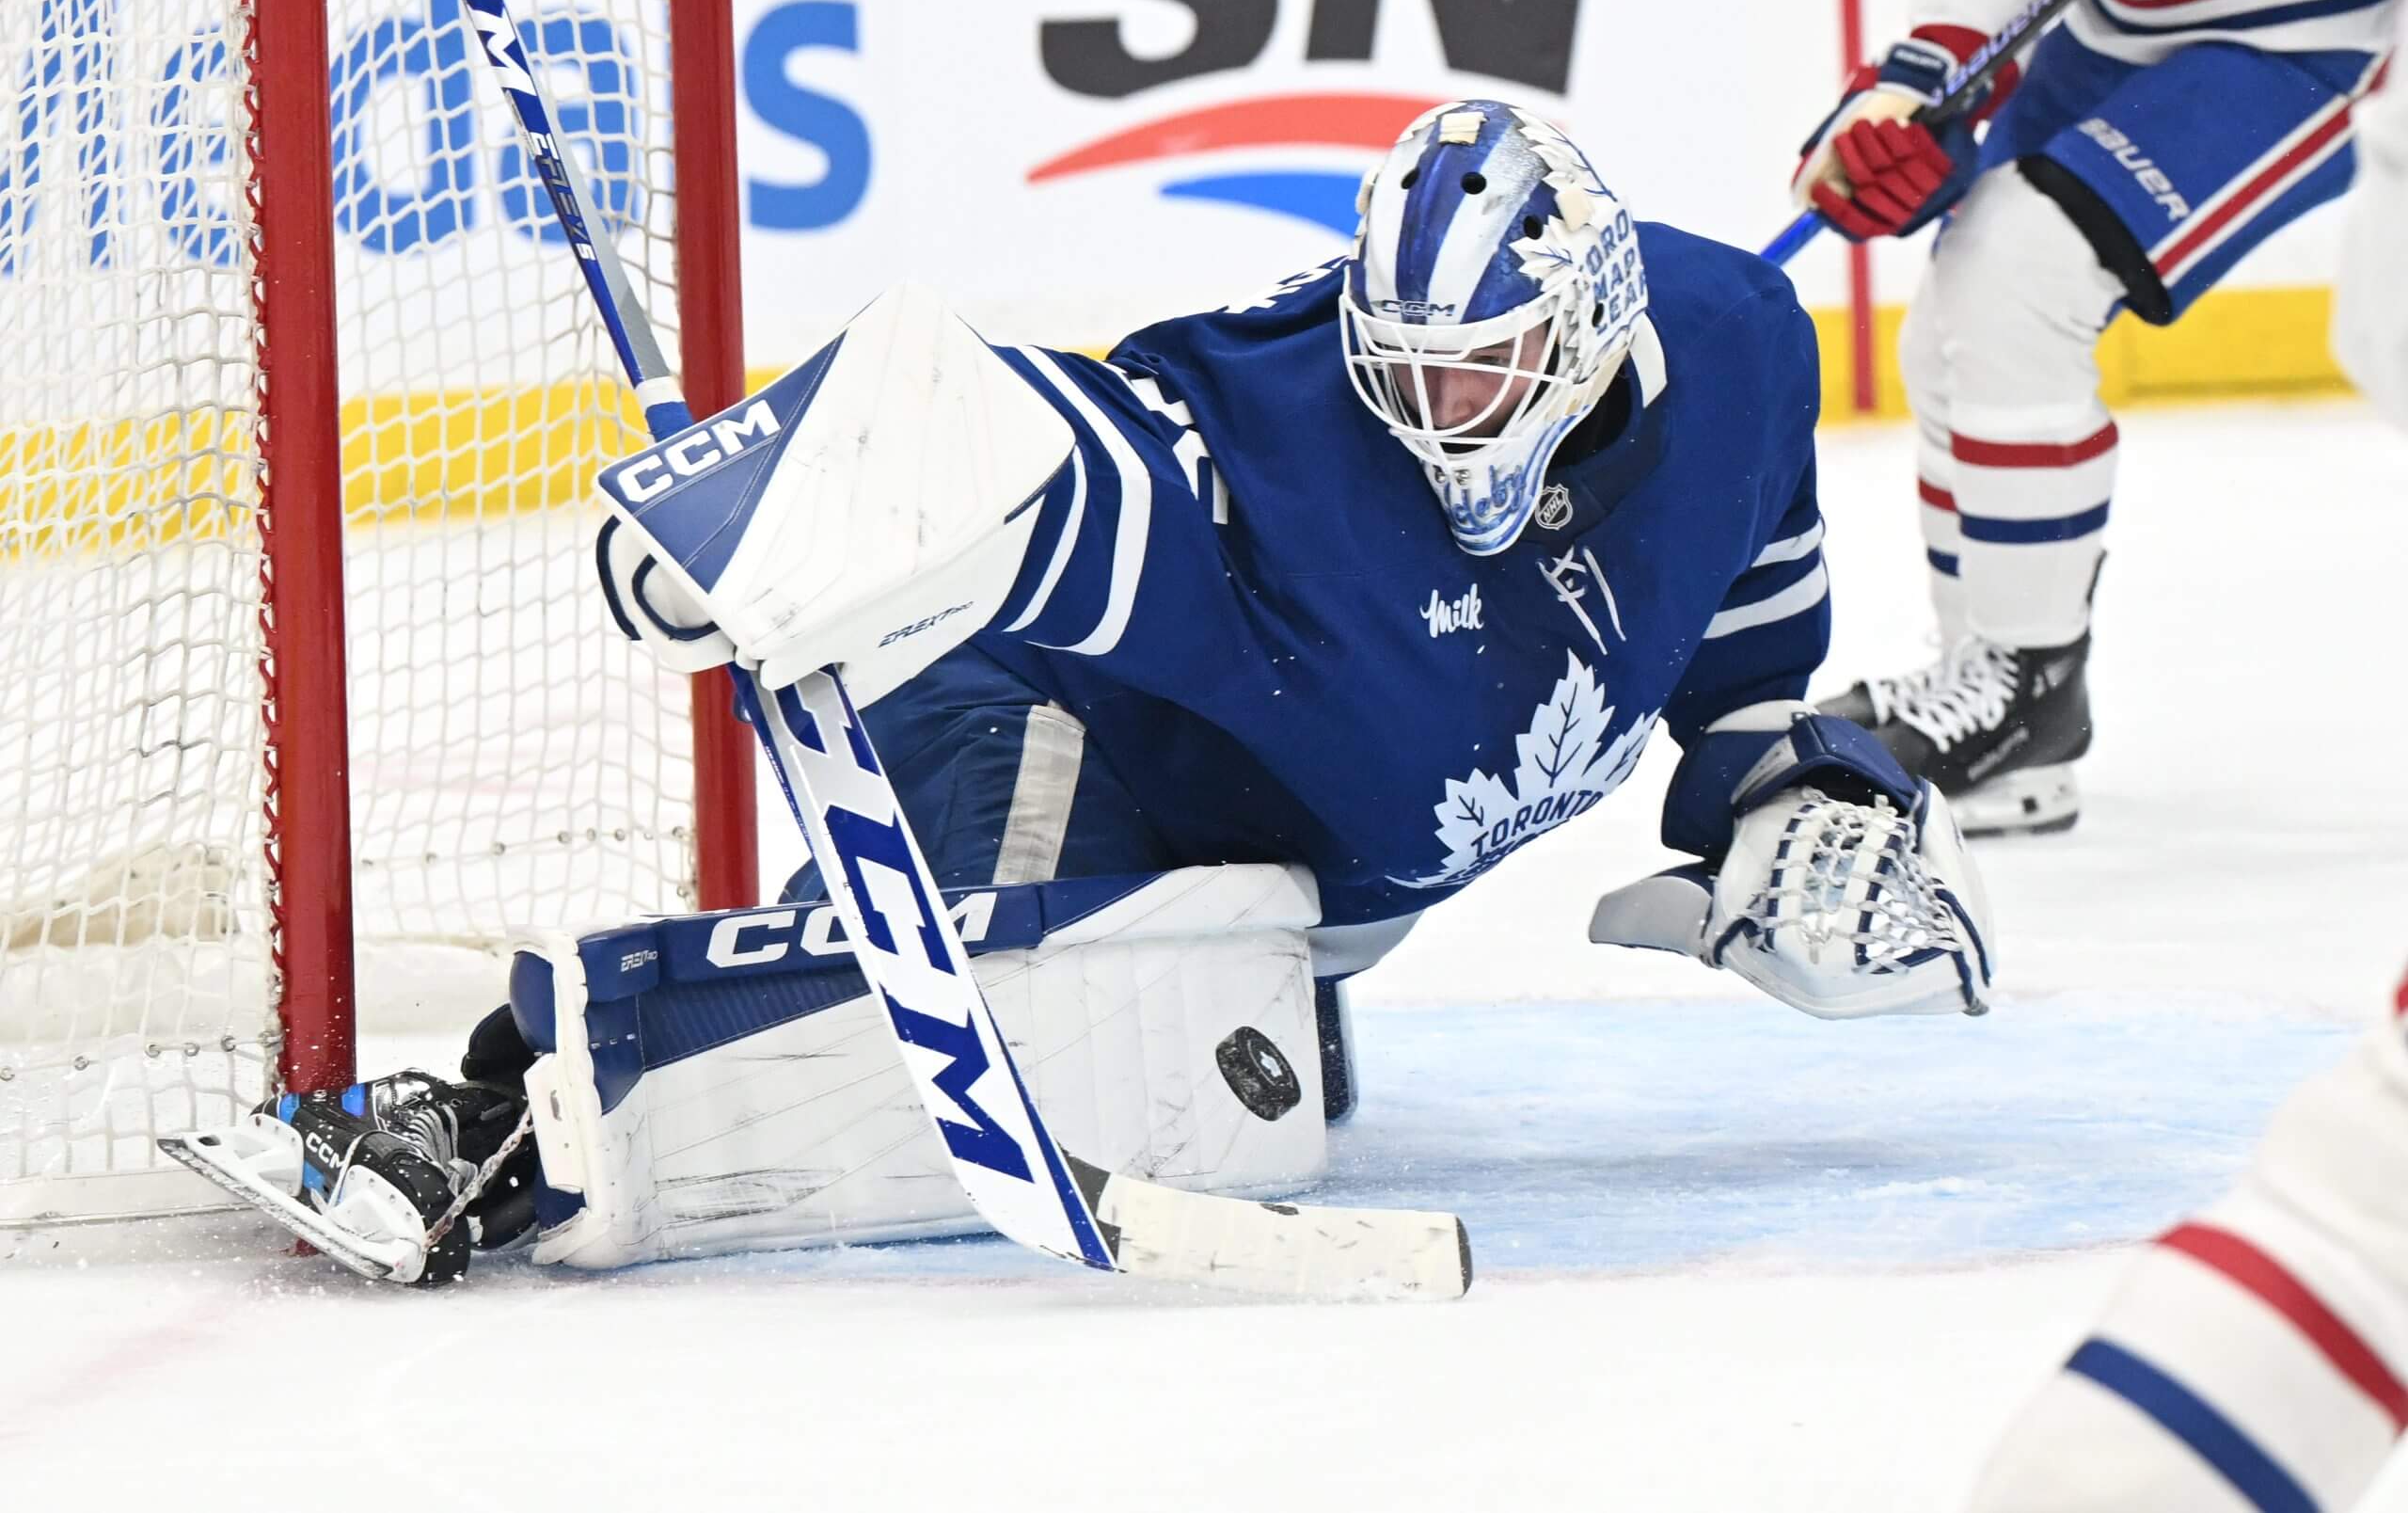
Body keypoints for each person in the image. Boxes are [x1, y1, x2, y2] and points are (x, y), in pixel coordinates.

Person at [179, 101, 1994, 1282]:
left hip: (1283, 878)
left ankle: (1191, 994)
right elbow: (1038, 432)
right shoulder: (1275, 448)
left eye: (1488, 373)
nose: (1439, 418)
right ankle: (484, 1121)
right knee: (951, 1062)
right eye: (1408, 372)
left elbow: (1747, 646)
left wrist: (1796, 803)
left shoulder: (1744, 359)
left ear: (1595, 325)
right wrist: (764, 493)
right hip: (1033, 717)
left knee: (1240, 1086)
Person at [1958, 16, 2408, 1513]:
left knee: (2361, 1231)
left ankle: (2022, 681)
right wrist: (1921, 74)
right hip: (2142, 31)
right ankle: (2012, 672)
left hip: (2307, 28)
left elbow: (2382, 333)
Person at [1796, 0, 2405, 835]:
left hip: (2335, 21)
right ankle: (1984, 693)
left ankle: (2021, 687)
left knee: (2018, 272)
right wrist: (1917, 88)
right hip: (2131, 11)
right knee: (1953, 327)